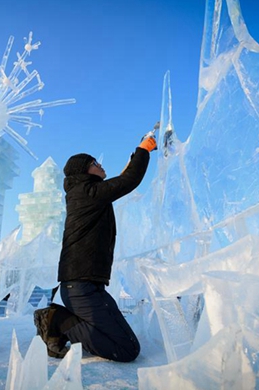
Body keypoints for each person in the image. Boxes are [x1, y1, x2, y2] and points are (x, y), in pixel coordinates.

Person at [34, 132, 157, 362]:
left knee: (124, 341)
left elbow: (119, 180)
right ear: (83, 170)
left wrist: (135, 156)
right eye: (95, 163)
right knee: (127, 349)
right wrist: (144, 150)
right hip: (81, 288)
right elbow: (128, 181)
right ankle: (56, 320)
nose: (101, 165)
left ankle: (62, 320)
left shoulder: (87, 193)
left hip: (87, 287)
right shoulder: (87, 192)